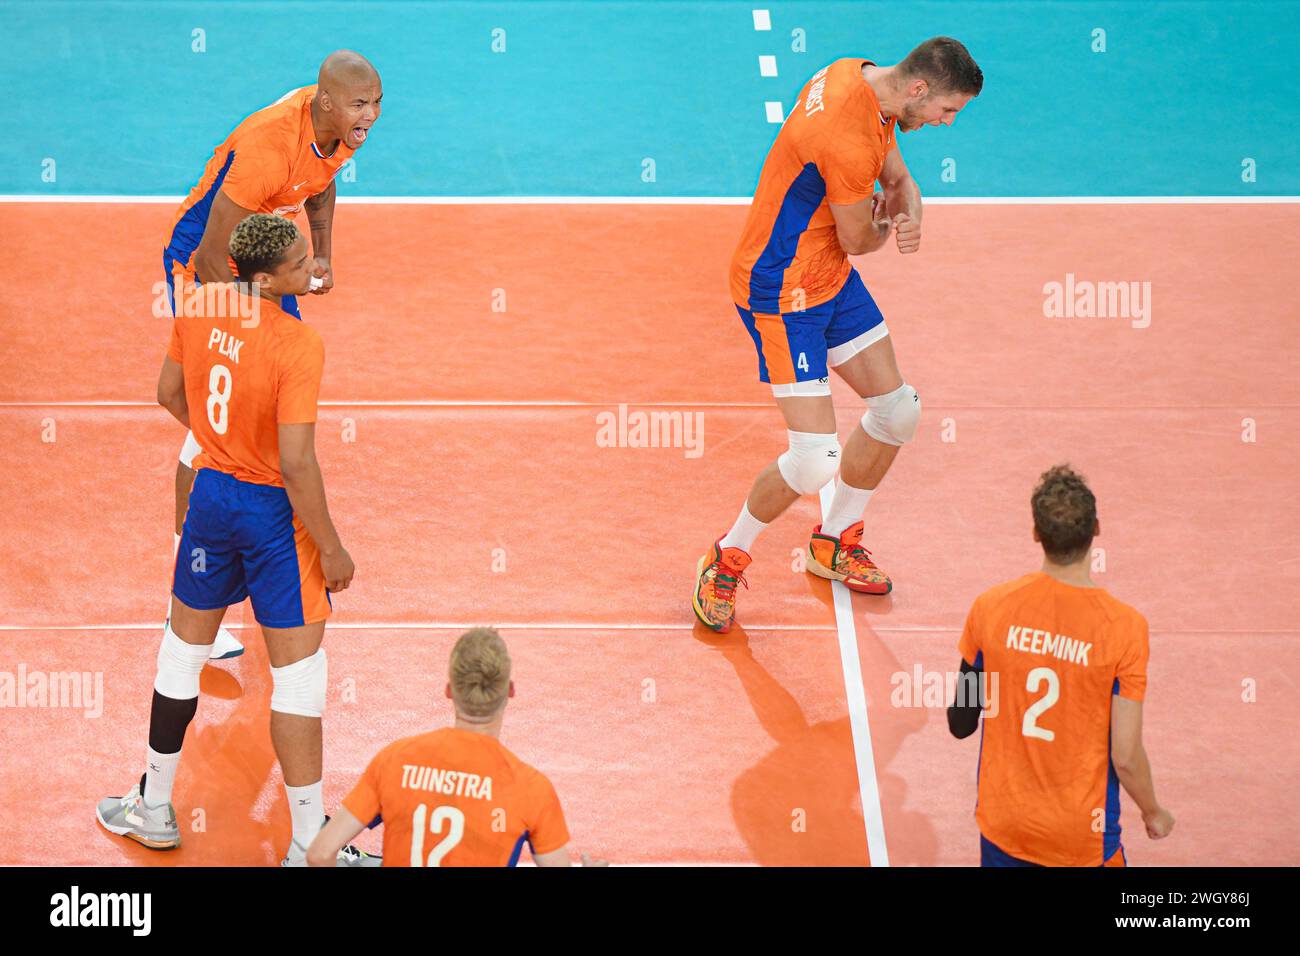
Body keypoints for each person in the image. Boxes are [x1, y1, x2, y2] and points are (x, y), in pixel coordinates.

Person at [97, 215, 373, 866]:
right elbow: (297, 463)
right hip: (272, 513)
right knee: (300, 678)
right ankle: (311, 843)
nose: (312, 269)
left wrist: (223, 444)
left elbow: (168, 392)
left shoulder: (197, 305)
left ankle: (153, 809)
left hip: (211, 503)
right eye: (302, 263)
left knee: (180, 656)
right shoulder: (298, 346)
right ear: (270, 276)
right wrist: (331, 546)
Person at [693, 38, 982, 632]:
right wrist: (885, 224)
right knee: (815, 458)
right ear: (920, 90)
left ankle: (834, 542)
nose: (945, 123)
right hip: (781, 290)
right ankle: (725, 557)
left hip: (827, 278)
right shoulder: (844, 139)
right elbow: (859, 239)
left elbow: (897, 177)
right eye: (947, 111)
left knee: (899, 411)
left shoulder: (862, 77)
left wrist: (910, 206)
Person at [162, 50, 381, 659]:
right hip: (205, 260)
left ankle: (238, 470)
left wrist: (323, 252)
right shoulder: (269, 143)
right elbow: (210, 253)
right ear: (329, 102)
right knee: (216, 415)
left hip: (262, 257)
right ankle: (183, 593)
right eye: (362, 105)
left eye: (377, 103)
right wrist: (238, 324)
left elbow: (320, 187)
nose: (372, 116)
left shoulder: (343, 130)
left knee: (263, 394)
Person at [947, 464, 1175, 866]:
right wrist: (1153, 811)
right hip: (1080, 838)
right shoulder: (1124, 628)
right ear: (1096, 531)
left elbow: (961, 722)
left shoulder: (991, 607)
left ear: (1037, 534)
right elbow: (1124, 755)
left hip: (1004, 825)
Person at [308, 627, 605, 867]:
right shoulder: (531, 789)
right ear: (510, 691)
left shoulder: (395, 760)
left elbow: (320, 854)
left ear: (449, 690)